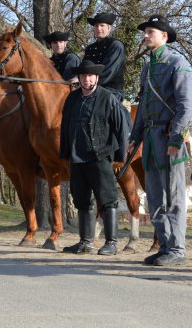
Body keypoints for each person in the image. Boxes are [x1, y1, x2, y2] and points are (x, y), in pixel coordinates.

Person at [127, 15, 192, 266]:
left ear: (164, 36)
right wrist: (134, 137)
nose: (145, 36)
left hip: (169, 137)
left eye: (150, 32)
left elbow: (186, 106)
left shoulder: (177, 63)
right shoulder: (147, 68)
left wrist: (177, 137)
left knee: (173, 195)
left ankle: (176, 248)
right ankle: (164, 244)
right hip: (150, 139)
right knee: (154, 195)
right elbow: (143, 106)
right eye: (145, 32)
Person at [59, 59, 131, 255]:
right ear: (79, 78)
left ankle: (111, 242)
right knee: (81, 200)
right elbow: (65, 127)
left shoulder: (107, 98)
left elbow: (121, 127)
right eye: (83, 75)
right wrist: (65, 153)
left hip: (100, 156)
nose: (87, 79)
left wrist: (119, 156)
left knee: (107, 200)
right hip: (77, 157)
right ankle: (85, 242)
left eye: (90, 75)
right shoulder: (72, 99)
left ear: (97, 78)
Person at [82, 12, 126, 100]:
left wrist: (89, 85)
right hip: (90, 89)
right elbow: (83, 69)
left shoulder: (115, 45)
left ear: (109, 28)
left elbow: (107, 72)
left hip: (111, 91)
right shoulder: (90, 48)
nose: (99, 28)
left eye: (102, 25)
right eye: (96, 26)